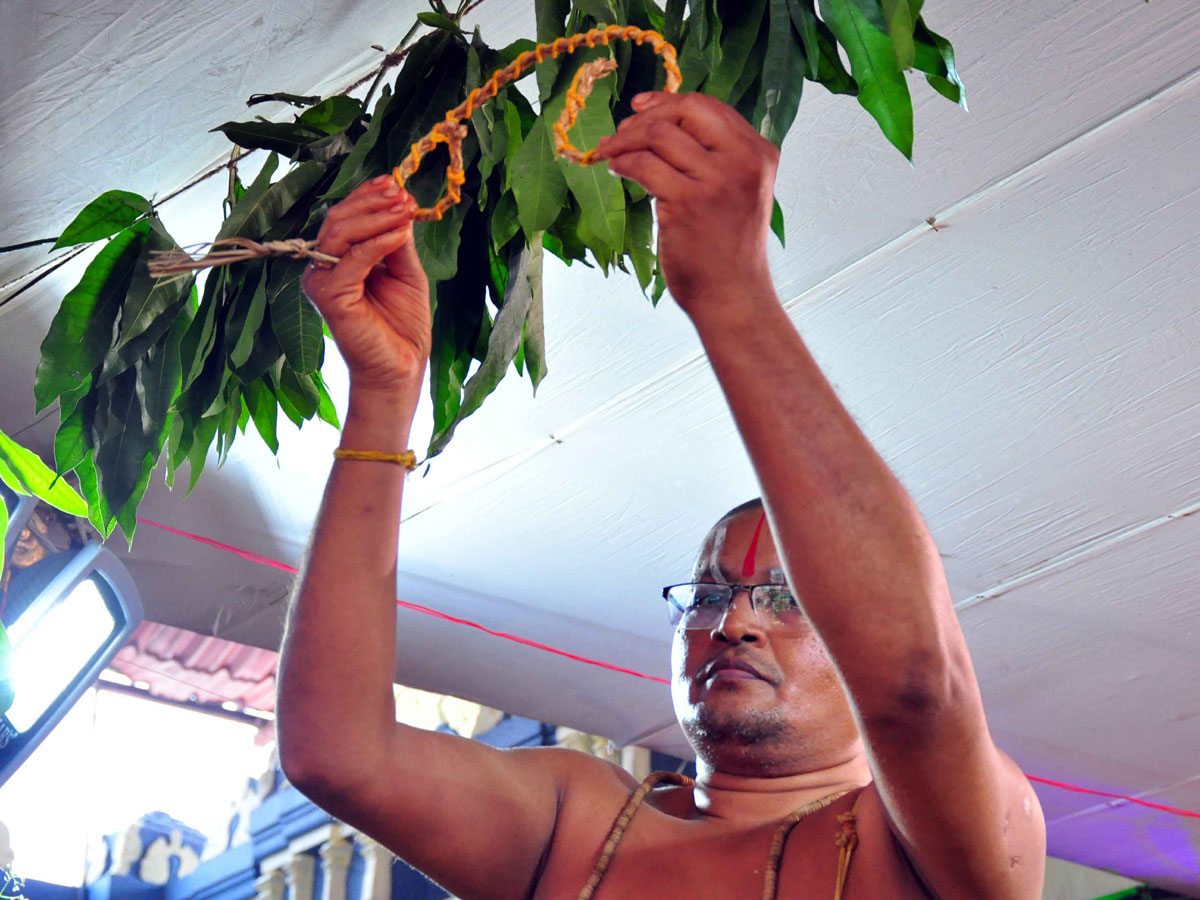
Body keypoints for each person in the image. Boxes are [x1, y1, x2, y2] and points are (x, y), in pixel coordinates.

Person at [277, 90, 1046, 899]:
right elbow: (335, 753)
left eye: (784, 597)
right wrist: (383, 389)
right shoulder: (577, 820)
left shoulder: (937, 842)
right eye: (710, 595)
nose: (735, 621)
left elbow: (917, 686)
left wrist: (732, 293)